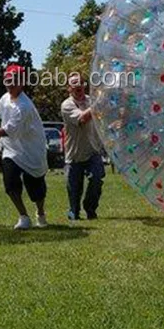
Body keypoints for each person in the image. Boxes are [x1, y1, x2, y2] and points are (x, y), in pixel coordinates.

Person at [0, 64, 48, 230]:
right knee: (10, 183)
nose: (10, 83)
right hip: (11, 150)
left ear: (22, 82)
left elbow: (8, 131)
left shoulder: (24, 106)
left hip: (30, 150)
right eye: (7, 80)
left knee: (36, 188)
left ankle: (40, 212)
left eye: (14, 80)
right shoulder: (6, 98)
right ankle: (23, 216)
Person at [61, 73, 105, 220]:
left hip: (93, 150)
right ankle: (74, 210)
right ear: (69, 88)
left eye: (80, 82)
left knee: (97, 179)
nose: (78, 85)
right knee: (74, 189)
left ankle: (90, 208)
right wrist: (98, 104)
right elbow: (82, 119)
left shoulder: (91, 101)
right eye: (74, 83)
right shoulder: (67, 105)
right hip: (74, 154)